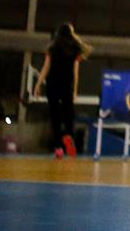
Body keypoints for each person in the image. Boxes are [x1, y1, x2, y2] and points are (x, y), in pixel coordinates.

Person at [31, 23, 91, 159]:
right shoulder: (75, 49)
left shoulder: (52, 48)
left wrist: (38, 85)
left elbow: (46, 68)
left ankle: (58, 148)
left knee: (55, 116)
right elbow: (75, 72)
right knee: (68, 114)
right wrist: (75, 90)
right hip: (67, 85)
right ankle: (68, 135)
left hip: (52, 84)